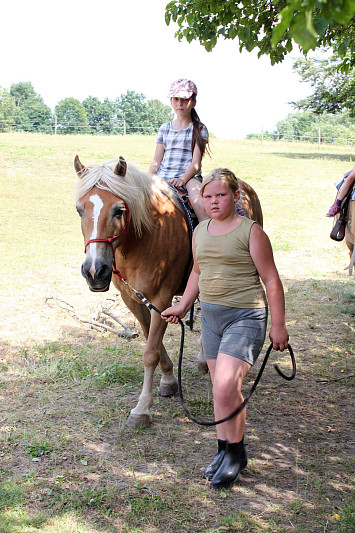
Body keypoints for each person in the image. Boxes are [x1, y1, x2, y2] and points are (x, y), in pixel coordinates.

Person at [161, 168, 289, 489]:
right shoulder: (200, 231)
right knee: (221, 389)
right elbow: (197, 274)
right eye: (208, 196)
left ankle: (236, 453)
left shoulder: (251, 232)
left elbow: (271, 280)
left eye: (221, 195)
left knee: (224, 387)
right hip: (212, 318)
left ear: (235, 196)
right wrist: (182, 305)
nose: (214, 201)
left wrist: (279, 325)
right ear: (201, 200)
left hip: (245, 317)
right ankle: (224, 450)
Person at [149, 78, 210, 221]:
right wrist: (148, 177)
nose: (180, 103)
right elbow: (156, 161)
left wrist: (182, 179)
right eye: (176, 99)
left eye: (184, 99)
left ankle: (207, 236)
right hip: (163, 175)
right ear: (171, 101)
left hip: (188, 177)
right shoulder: (164, 128)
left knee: (198, 202)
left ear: (193, 102)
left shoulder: (199, 129)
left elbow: (195, 163)